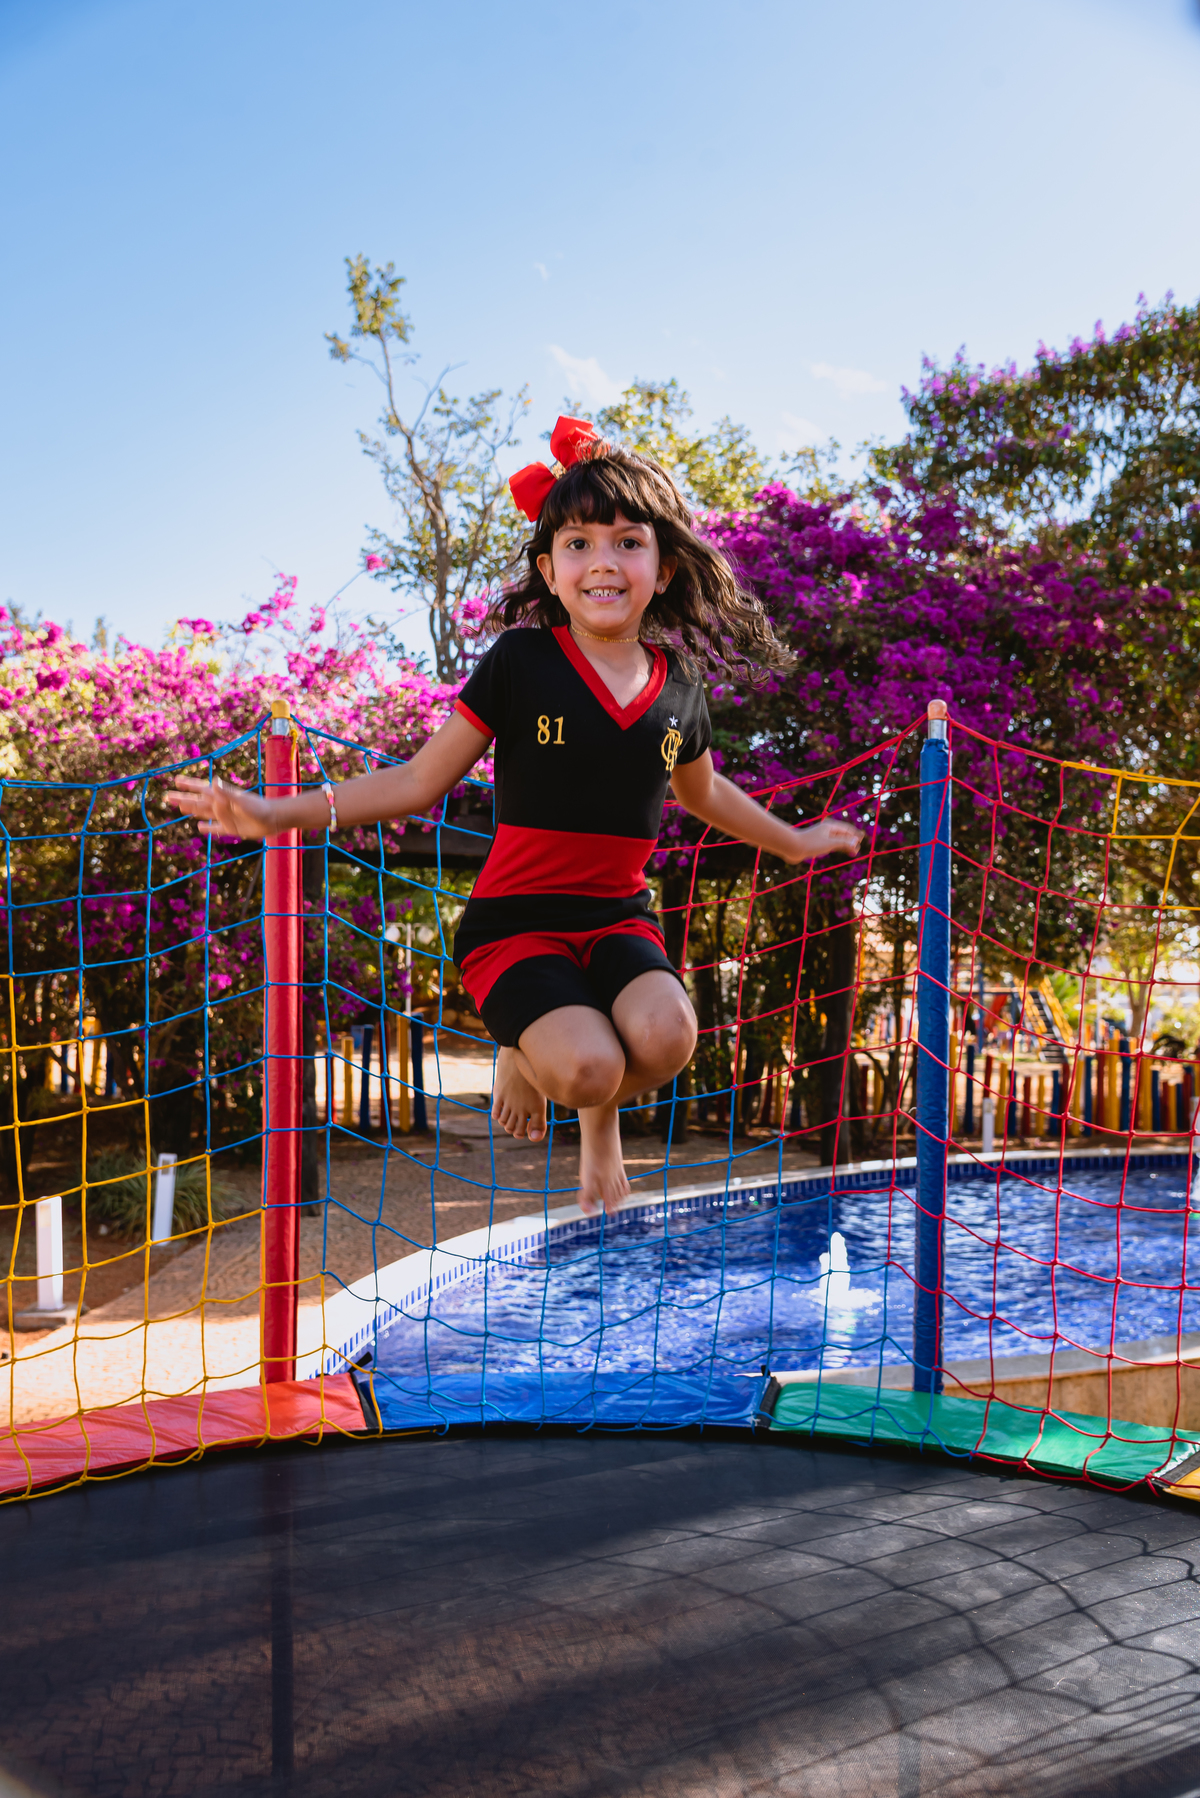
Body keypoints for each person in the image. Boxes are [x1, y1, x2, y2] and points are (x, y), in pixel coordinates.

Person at [168, 417, 862, 1215]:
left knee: (671, 1036)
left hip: (617, 919)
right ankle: (521, 1051)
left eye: (627, 542)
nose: (603, 561)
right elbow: (417, 782)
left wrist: (792, 842)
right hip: (516, 925)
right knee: (588, 1067)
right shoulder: (521, 662)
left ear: (664, 568)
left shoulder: (680, 688)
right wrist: (273, 813)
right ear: (550, 567)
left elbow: (705, 795)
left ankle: (584, 1115)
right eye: (578, 543)